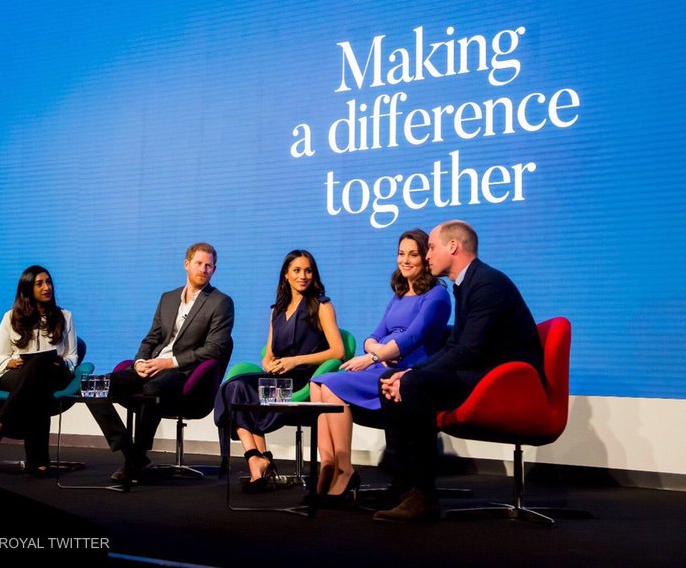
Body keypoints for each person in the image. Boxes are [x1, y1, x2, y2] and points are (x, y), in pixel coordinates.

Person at [374, 220, 544, 522]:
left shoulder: (487, 283)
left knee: (416, 386)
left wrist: (413, 377)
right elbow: (455, 346)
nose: (427, 256)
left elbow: (469, 351)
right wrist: (407, 373)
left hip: (509, 381)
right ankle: (405, 487)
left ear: (453, 246)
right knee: (390, 379)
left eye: (432, 248)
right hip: (485, 372)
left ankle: (425, 497)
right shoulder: (466, 284)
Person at [310, 229, 451, 503]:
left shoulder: (436, 296)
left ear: (425, 257)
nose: (405, 260)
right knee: (319, 383)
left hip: (407, 373)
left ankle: (345, 471)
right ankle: (330, 465)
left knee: (329, 383)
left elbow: (413, 337)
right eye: (401, 254)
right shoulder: (399, 295)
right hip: (382, 363)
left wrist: (374, 357)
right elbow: (372, 337)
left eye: (413, 254)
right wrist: (376, 350)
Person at [87, 242, 234, 482]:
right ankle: (131, 453)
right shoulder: (168, 298)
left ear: (214, 270)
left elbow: (215, 349)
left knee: (152, 390)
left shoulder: (221, 302)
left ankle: (136, 456)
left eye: (209, 266)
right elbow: (152, 337)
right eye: (199, 263)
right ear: (186, 264)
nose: (204, 269)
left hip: (183, 373)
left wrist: (169, 363)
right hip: (151, 366)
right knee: (93, 386)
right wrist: (140, 361)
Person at [215, 249, 344, 492]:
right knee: (232, 388)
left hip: (301, 383)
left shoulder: (322, 306)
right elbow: (269, 352)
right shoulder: (277, 310)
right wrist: (268, 363)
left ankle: (261, 461)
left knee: (241, 388)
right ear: (286, 275)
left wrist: (295, 361)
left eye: (308, 270)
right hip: (278, 379)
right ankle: (256, 460)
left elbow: (338, 352)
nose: (303, 276)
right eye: (296, 270)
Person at [0, 265, 78, 477]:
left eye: (49, 282)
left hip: (54, 372)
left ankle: (1, 420)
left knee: (40, 367)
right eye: (40, 284)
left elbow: (72, 355)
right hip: (17, 374)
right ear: (27, 289)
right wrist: (8, 362)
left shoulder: (65, 316)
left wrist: (63, 364)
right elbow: (0, 356)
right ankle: (39, 462)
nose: (47, 287)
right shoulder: (10, 317)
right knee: (38, 386)